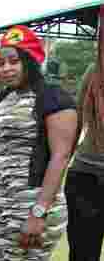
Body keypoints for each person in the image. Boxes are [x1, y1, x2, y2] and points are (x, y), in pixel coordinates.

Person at [0, 25, 76, 260]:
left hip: (32, 204)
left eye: (14, 61)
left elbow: (60, 157)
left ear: (30, 61)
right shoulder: (6, 97)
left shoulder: (53, 96)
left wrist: (38, 213)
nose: (6, 68)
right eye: (1, 63)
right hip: (0, 202)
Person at [66, 49, 104, 261]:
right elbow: (77, 119)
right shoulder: (95, 71)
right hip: (86, 176)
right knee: (83, 254)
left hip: (86, 174)